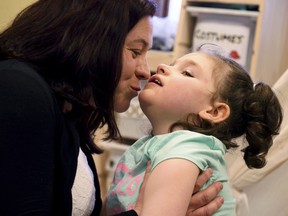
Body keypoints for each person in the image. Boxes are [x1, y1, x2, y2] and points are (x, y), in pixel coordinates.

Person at [0, 0, 224, 215]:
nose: (147, 71)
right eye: (135, 52)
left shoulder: (70, 111)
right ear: (89, 39)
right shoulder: (19, 89)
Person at [105, 47, 283, 215]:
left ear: (214, 112)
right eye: (173, 65)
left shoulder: (185, 150)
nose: (162, 67)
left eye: (186, 73)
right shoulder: (163, 146)